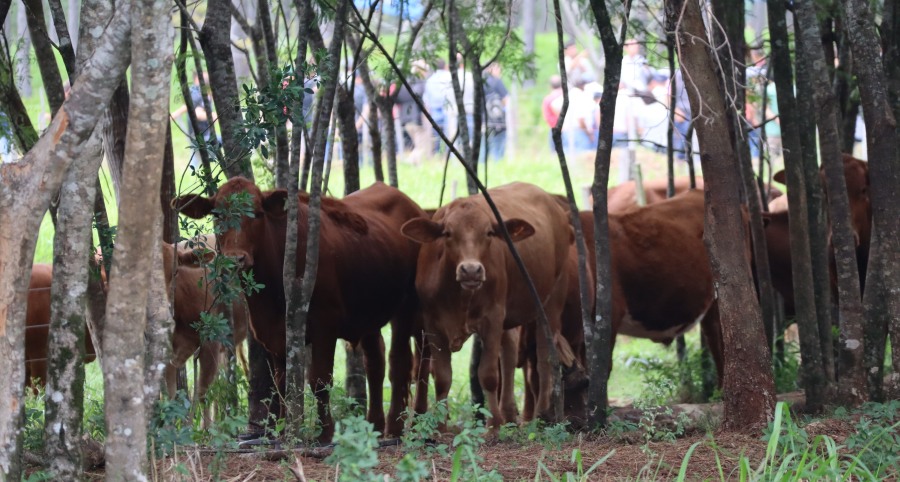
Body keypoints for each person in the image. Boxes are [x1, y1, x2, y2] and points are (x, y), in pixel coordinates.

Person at [173, 72, 215, 169]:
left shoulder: (199, 92)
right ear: (197, 79)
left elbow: (186, 107)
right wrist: (215, 116)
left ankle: (194, 171)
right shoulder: (197, 93)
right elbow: (197, 113)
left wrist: (175, 114)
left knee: (196, 156)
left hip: (200, 133)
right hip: (201, 134)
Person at [395, 61, 430, 165]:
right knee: (421, 145)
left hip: (404, 117)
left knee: (416, 145)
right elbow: (419, 97)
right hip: (416, 118)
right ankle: (409, 162)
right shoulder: (419, 83)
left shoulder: (405, 83)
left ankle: (415, 164)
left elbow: (398, 99)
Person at [424, 58, 453, 152]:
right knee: (449, 134)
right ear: (445, 66)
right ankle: (448, 153)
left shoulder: (430, 80)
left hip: (435, 110)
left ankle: (436, 152)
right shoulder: (449, 76)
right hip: (448, 109)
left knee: (436, 135)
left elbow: (426, 98)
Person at [482, 63, 509, 161]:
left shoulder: (481, 83)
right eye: (498, 69)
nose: (500, 72)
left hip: (484, 119)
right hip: (498, 120)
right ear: (491, 70)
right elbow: (505, 99)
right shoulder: (497, 82)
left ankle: (482, 163)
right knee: (499, 143)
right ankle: (498, 162)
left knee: (484, 145)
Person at [541, 75, 564, 148]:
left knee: (555, 155)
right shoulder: (567, 96)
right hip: (569, 129)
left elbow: (546, 117)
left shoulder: (547, 99)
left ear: (550, 86)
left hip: (554, 128)